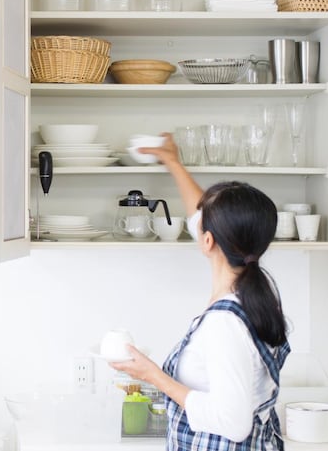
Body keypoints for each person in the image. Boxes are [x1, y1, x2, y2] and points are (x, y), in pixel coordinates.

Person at [111, 132, 291, 451]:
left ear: (208, 241)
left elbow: (234, 425)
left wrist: (154, 376)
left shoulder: (224, 324)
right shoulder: (259, 296)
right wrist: (172, 161)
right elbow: (201, 217)